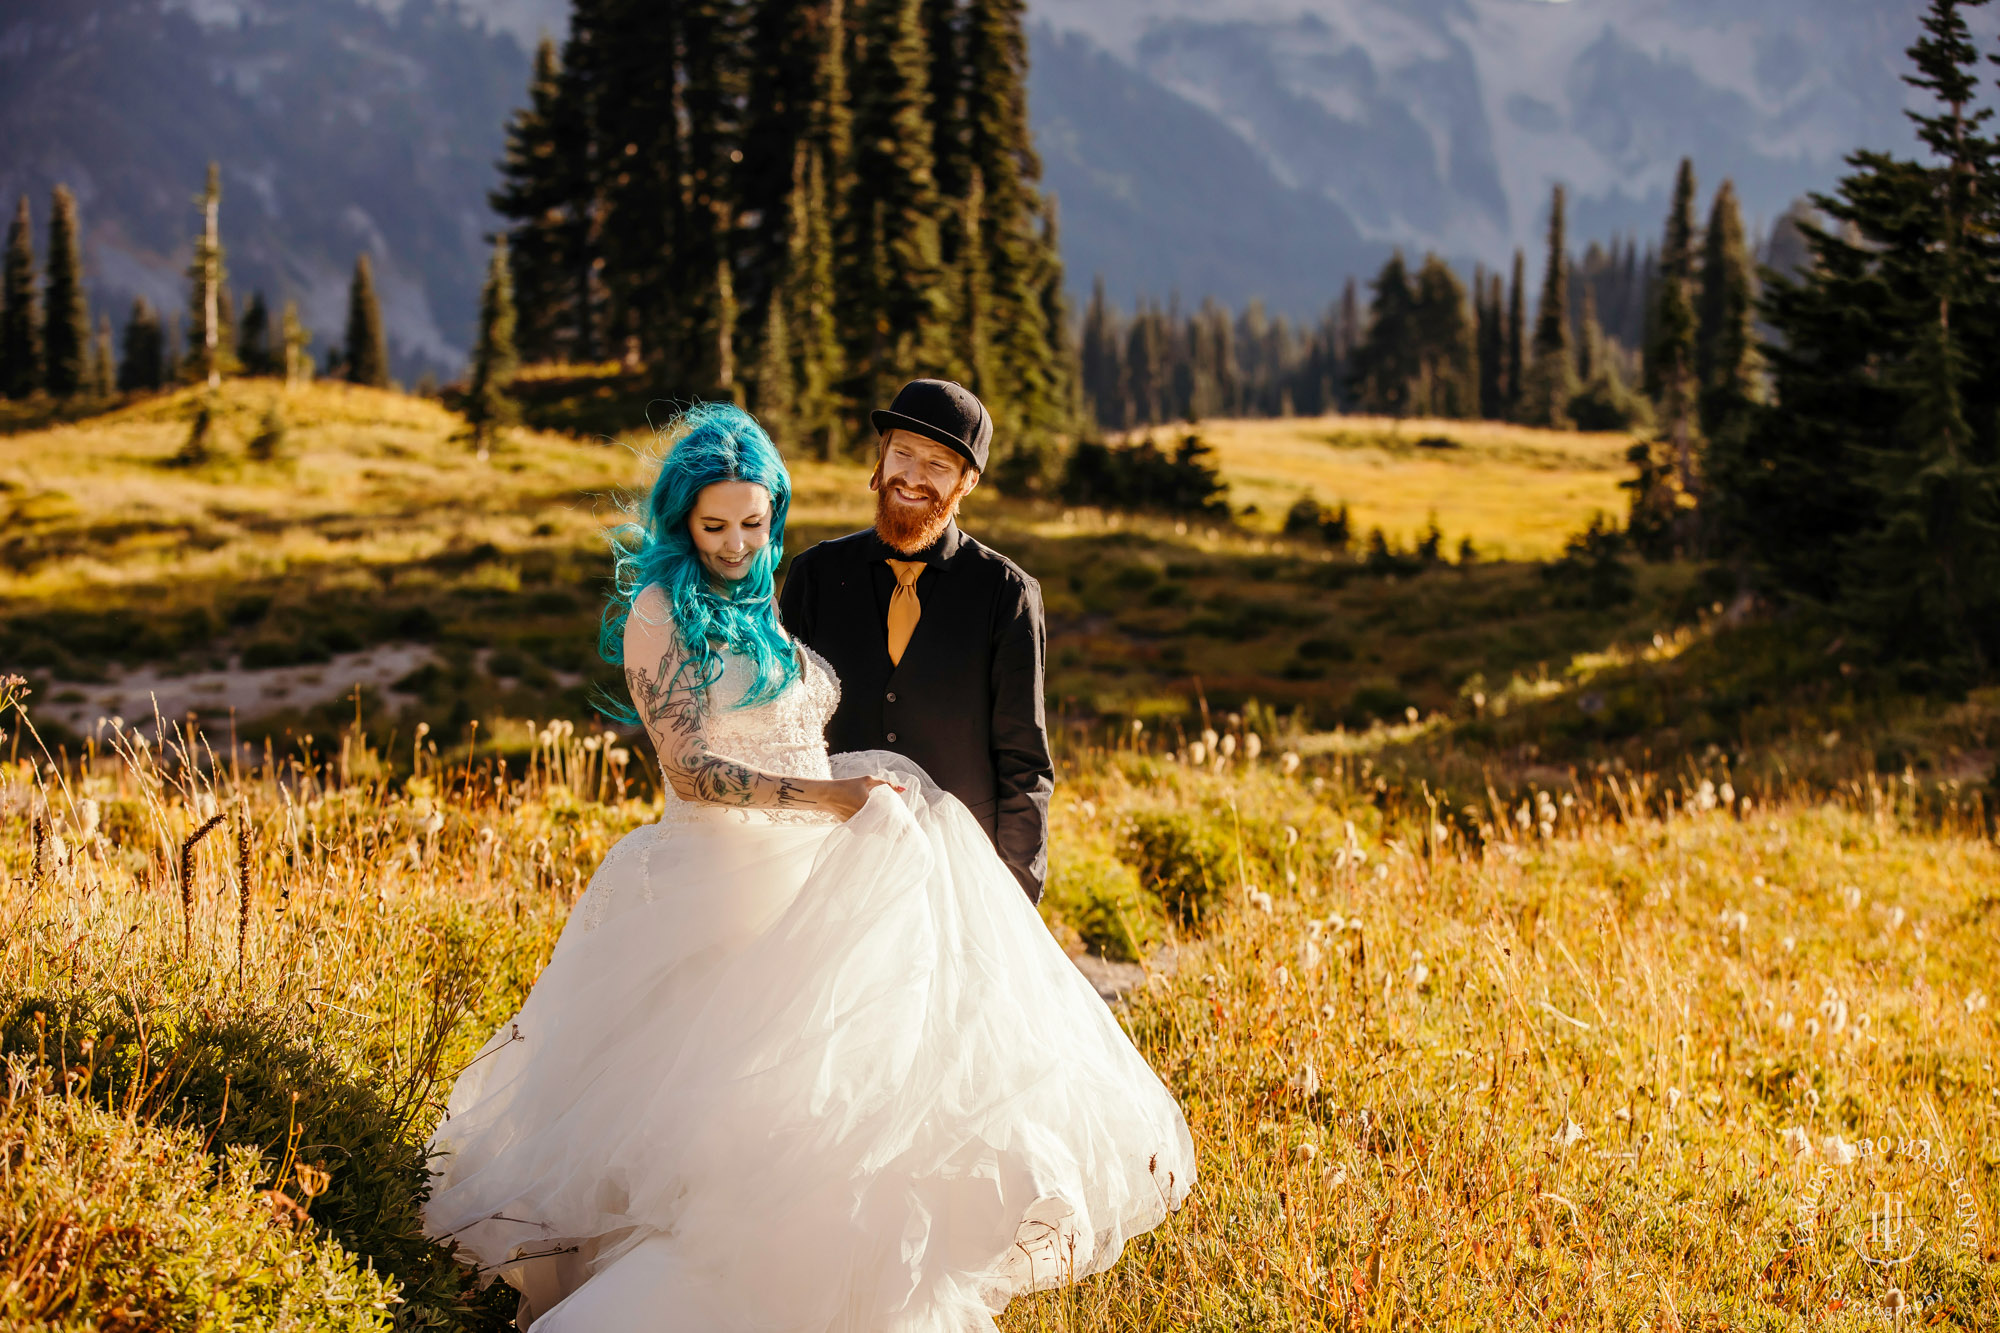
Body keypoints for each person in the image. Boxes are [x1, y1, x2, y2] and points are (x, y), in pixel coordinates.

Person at [422, 404, 1195, 1331]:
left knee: (850, 1116)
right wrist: (835, 798)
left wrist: (997, 896)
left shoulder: (955, 592)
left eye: (755, 523)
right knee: (727, 1128)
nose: (741, 544)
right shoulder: (685, 604)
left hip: (825, 885)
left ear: (968, 484)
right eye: (717, 526)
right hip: (725, 889)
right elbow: (691, 766)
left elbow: (1020, 762)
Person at [779, 379, 1053, 901]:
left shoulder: (1008, 593)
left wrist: (1014, 894)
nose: (912, 477)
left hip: (958, 877)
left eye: (938, 464)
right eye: (903, 452)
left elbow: (1025, 763)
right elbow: (784, 730)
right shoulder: (814, 575)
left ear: (967, 482)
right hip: (831, 865)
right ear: (881, 457)